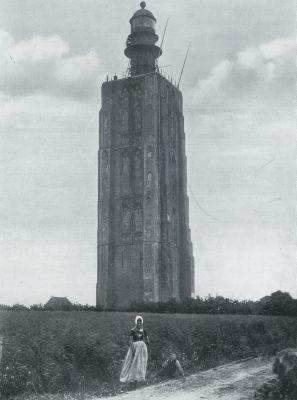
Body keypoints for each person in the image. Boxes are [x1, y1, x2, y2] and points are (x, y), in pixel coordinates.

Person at [120, 315, 150, 388]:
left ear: (142, 322)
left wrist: (145, 340)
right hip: (134, 348)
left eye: (140, 322)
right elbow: (130, 342)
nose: (139, 324)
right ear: (135, 322)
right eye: (138, 322)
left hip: (142, 349)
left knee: (140, 363)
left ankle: (138, 379)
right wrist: (133, 351)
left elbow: (148, 341)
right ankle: (131, 380)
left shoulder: (144, 330)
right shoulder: (132, 330)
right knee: (133, 363)